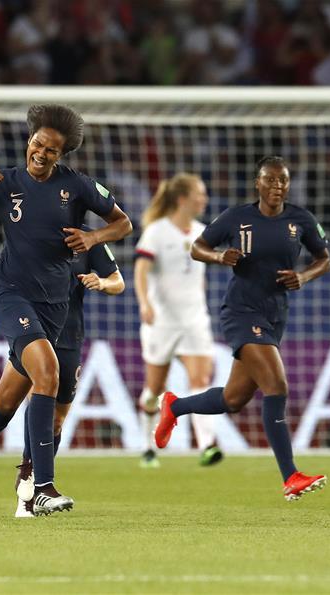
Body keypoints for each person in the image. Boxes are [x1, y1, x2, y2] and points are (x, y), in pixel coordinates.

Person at [0, 104, 132, 516]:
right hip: (10, 294)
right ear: (28, 141)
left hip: (55, 304)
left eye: (52, 150)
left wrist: (93, 239)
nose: (41, 153)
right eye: (38, 143)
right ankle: (39, 487)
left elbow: (124, 223)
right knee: (48, 374)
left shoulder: (76, 186)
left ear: (62, 155)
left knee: (4, 406)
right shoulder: (5, 183)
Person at [153, 156, 330, 501]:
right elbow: (198, 247)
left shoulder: (301, 220)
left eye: (283, 181)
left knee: (234, 398)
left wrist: (304, 276)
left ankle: (174, 407)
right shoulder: (237, 218)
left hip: (275, 314)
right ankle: (290, 476)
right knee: (276, 386)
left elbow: (324, 258)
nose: (277, 187)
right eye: (270, 180)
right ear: (258, 183)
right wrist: (220, 257)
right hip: (241, 312)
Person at [6, 228, 125, 517]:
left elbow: (119, 281)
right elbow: (8, 275)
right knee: (37, 397)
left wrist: (102, 282)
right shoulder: (30, 232)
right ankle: (30, 488)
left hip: (70, 336)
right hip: (34, 332)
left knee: (57, 420)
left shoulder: (89, 240)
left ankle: (33, 483)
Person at [134, 173, 224, 468]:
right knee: (154, 391)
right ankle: (147, 446)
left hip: (195, 320)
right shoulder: (156, 232)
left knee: (200, 380)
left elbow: (198, 278)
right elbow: (141, 271)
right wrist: (145, 303)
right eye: (200, 194)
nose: (205, 199)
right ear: (183, 199)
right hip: (162, 321)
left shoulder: (202, 231)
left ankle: (207, 445)